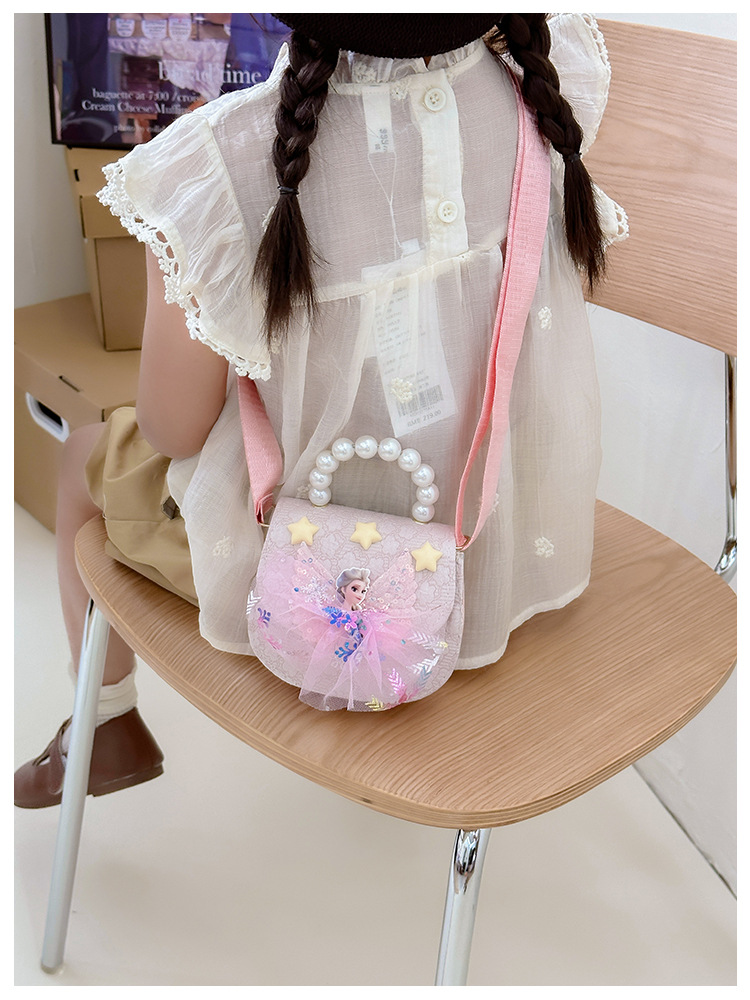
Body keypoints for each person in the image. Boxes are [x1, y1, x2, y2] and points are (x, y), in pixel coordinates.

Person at [15, 14, 627, 807]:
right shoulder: (548, 85)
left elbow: (173, 429)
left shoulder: (216, 162)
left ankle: (101, 725)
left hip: (307, 575)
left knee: (84, 449)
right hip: (505, 536)